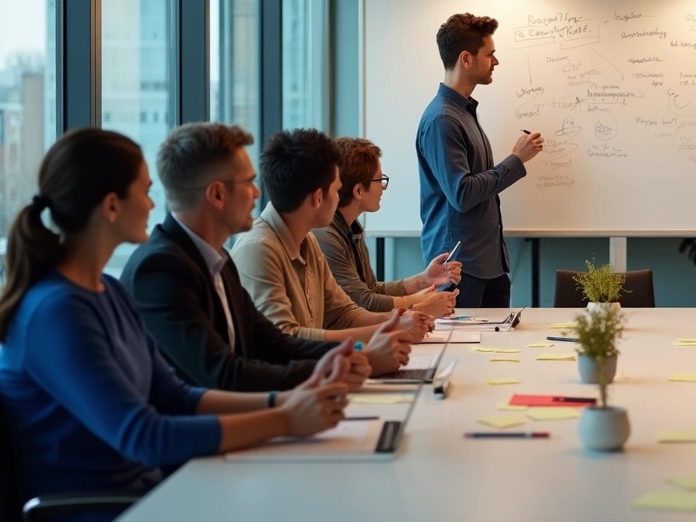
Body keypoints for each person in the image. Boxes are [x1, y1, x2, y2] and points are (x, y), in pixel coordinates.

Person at [0, 129, 351, 518]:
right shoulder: (56, 313)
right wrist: (284, 419)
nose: (153, 204)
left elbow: (174, 396)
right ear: (111, 205)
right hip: (114, 509)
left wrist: (285, 402)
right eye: (145, 192)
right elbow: (146, 436)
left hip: (153, 495)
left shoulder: (107, 292)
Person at [121, 123, 413, 392]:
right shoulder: (162, 268)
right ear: (218, 195)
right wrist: (355, 362)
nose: (258, 192)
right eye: (248, 182)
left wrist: (359, 354)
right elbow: (224, 373)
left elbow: (273, 342)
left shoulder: (215, 257)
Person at [232, 128, 431, 345]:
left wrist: (397, 319)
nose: (339, 199)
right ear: (319, 198)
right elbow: (286, 338)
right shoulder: (259, 249)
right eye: (337, 191)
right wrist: (391, 329)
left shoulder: (307, 242)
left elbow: (343, 313)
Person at [416, 13, 545, 308]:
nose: (496, 62)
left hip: (487, 265)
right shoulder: (442, 120)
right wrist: (517, 159)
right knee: (464, 350)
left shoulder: (463, 113)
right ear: (466, 58)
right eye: (490, 54)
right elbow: (462, 194)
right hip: (460, 269)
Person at [313, 137, 460, 318]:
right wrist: (419, 303)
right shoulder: (326, 236)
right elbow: (363, 301)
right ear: (358, 191)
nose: (383, 187)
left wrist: (423, 280)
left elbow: (371, 288)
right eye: (379, 179)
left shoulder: (351, 227)